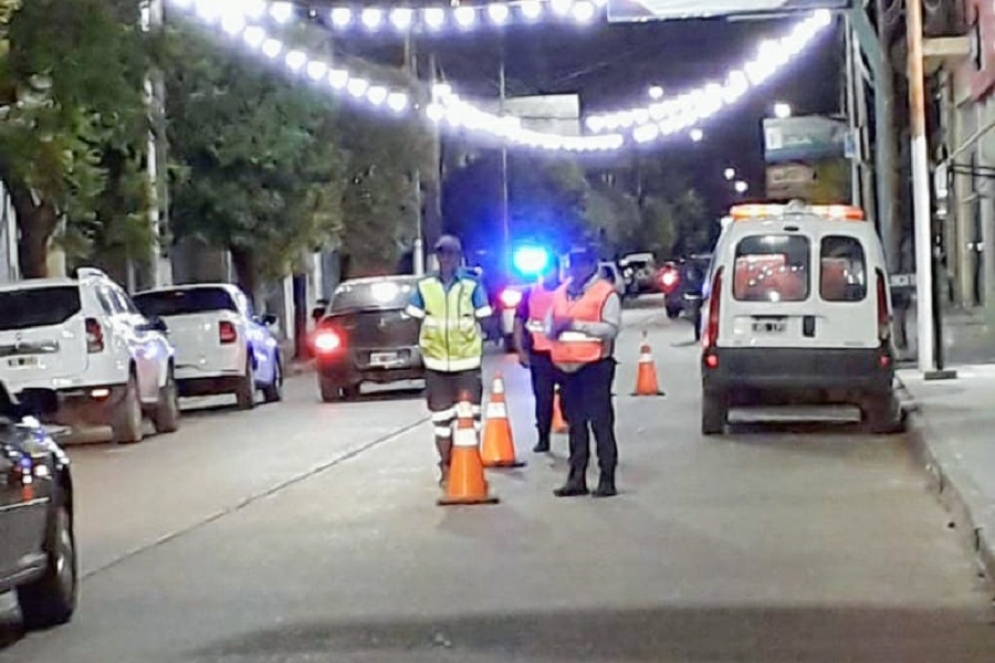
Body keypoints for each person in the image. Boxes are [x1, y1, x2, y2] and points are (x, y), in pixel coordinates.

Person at [405, 235, 493, 487]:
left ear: (458, 256)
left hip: (466, 362)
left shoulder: (471, 285)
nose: (446, 259)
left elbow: (485, 317)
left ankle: (470, 466)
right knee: (441, 422)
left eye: (451, 254)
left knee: (470, 419)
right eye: (442, 254)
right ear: (437, 257)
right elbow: (414, 317)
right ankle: (446, 465)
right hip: (436, 363)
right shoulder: (425, 286)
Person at [546, 244, 621, 498]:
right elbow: (549, 326)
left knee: (600, 423)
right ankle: (576, 478)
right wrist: (554, 329)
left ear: (591, 266)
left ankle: (606, 478)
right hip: (566, 369)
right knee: (575, 424)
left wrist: (576, 324)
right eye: (572, 263)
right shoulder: (559, 293)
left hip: (595, 366)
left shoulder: (605, 293)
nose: (575, 269)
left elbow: (611, 329)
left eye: (580, 263)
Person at [513, 268, 562, 453]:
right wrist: (520, 350)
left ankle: (576, 434)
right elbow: (519, 322)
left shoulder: (566, 291)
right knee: (543, 399)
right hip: (540, 354)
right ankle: (543, 437)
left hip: (565, 354)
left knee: (570, 400)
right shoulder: (531, 294)